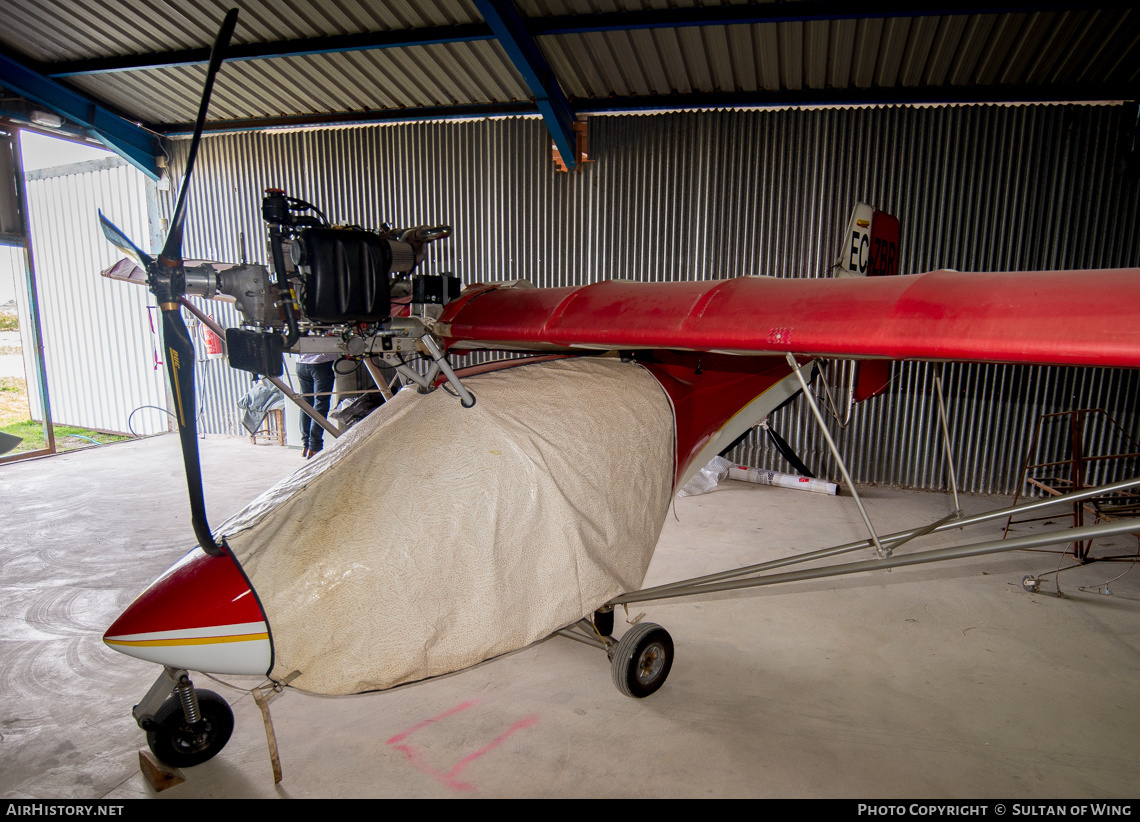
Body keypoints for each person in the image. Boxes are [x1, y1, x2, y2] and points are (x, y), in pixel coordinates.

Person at [296, 352, 337, 458]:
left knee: (305, 404)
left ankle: (306, 445)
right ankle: (315, 446)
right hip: (320, 363)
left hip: (301, 364)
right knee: (320, 404)